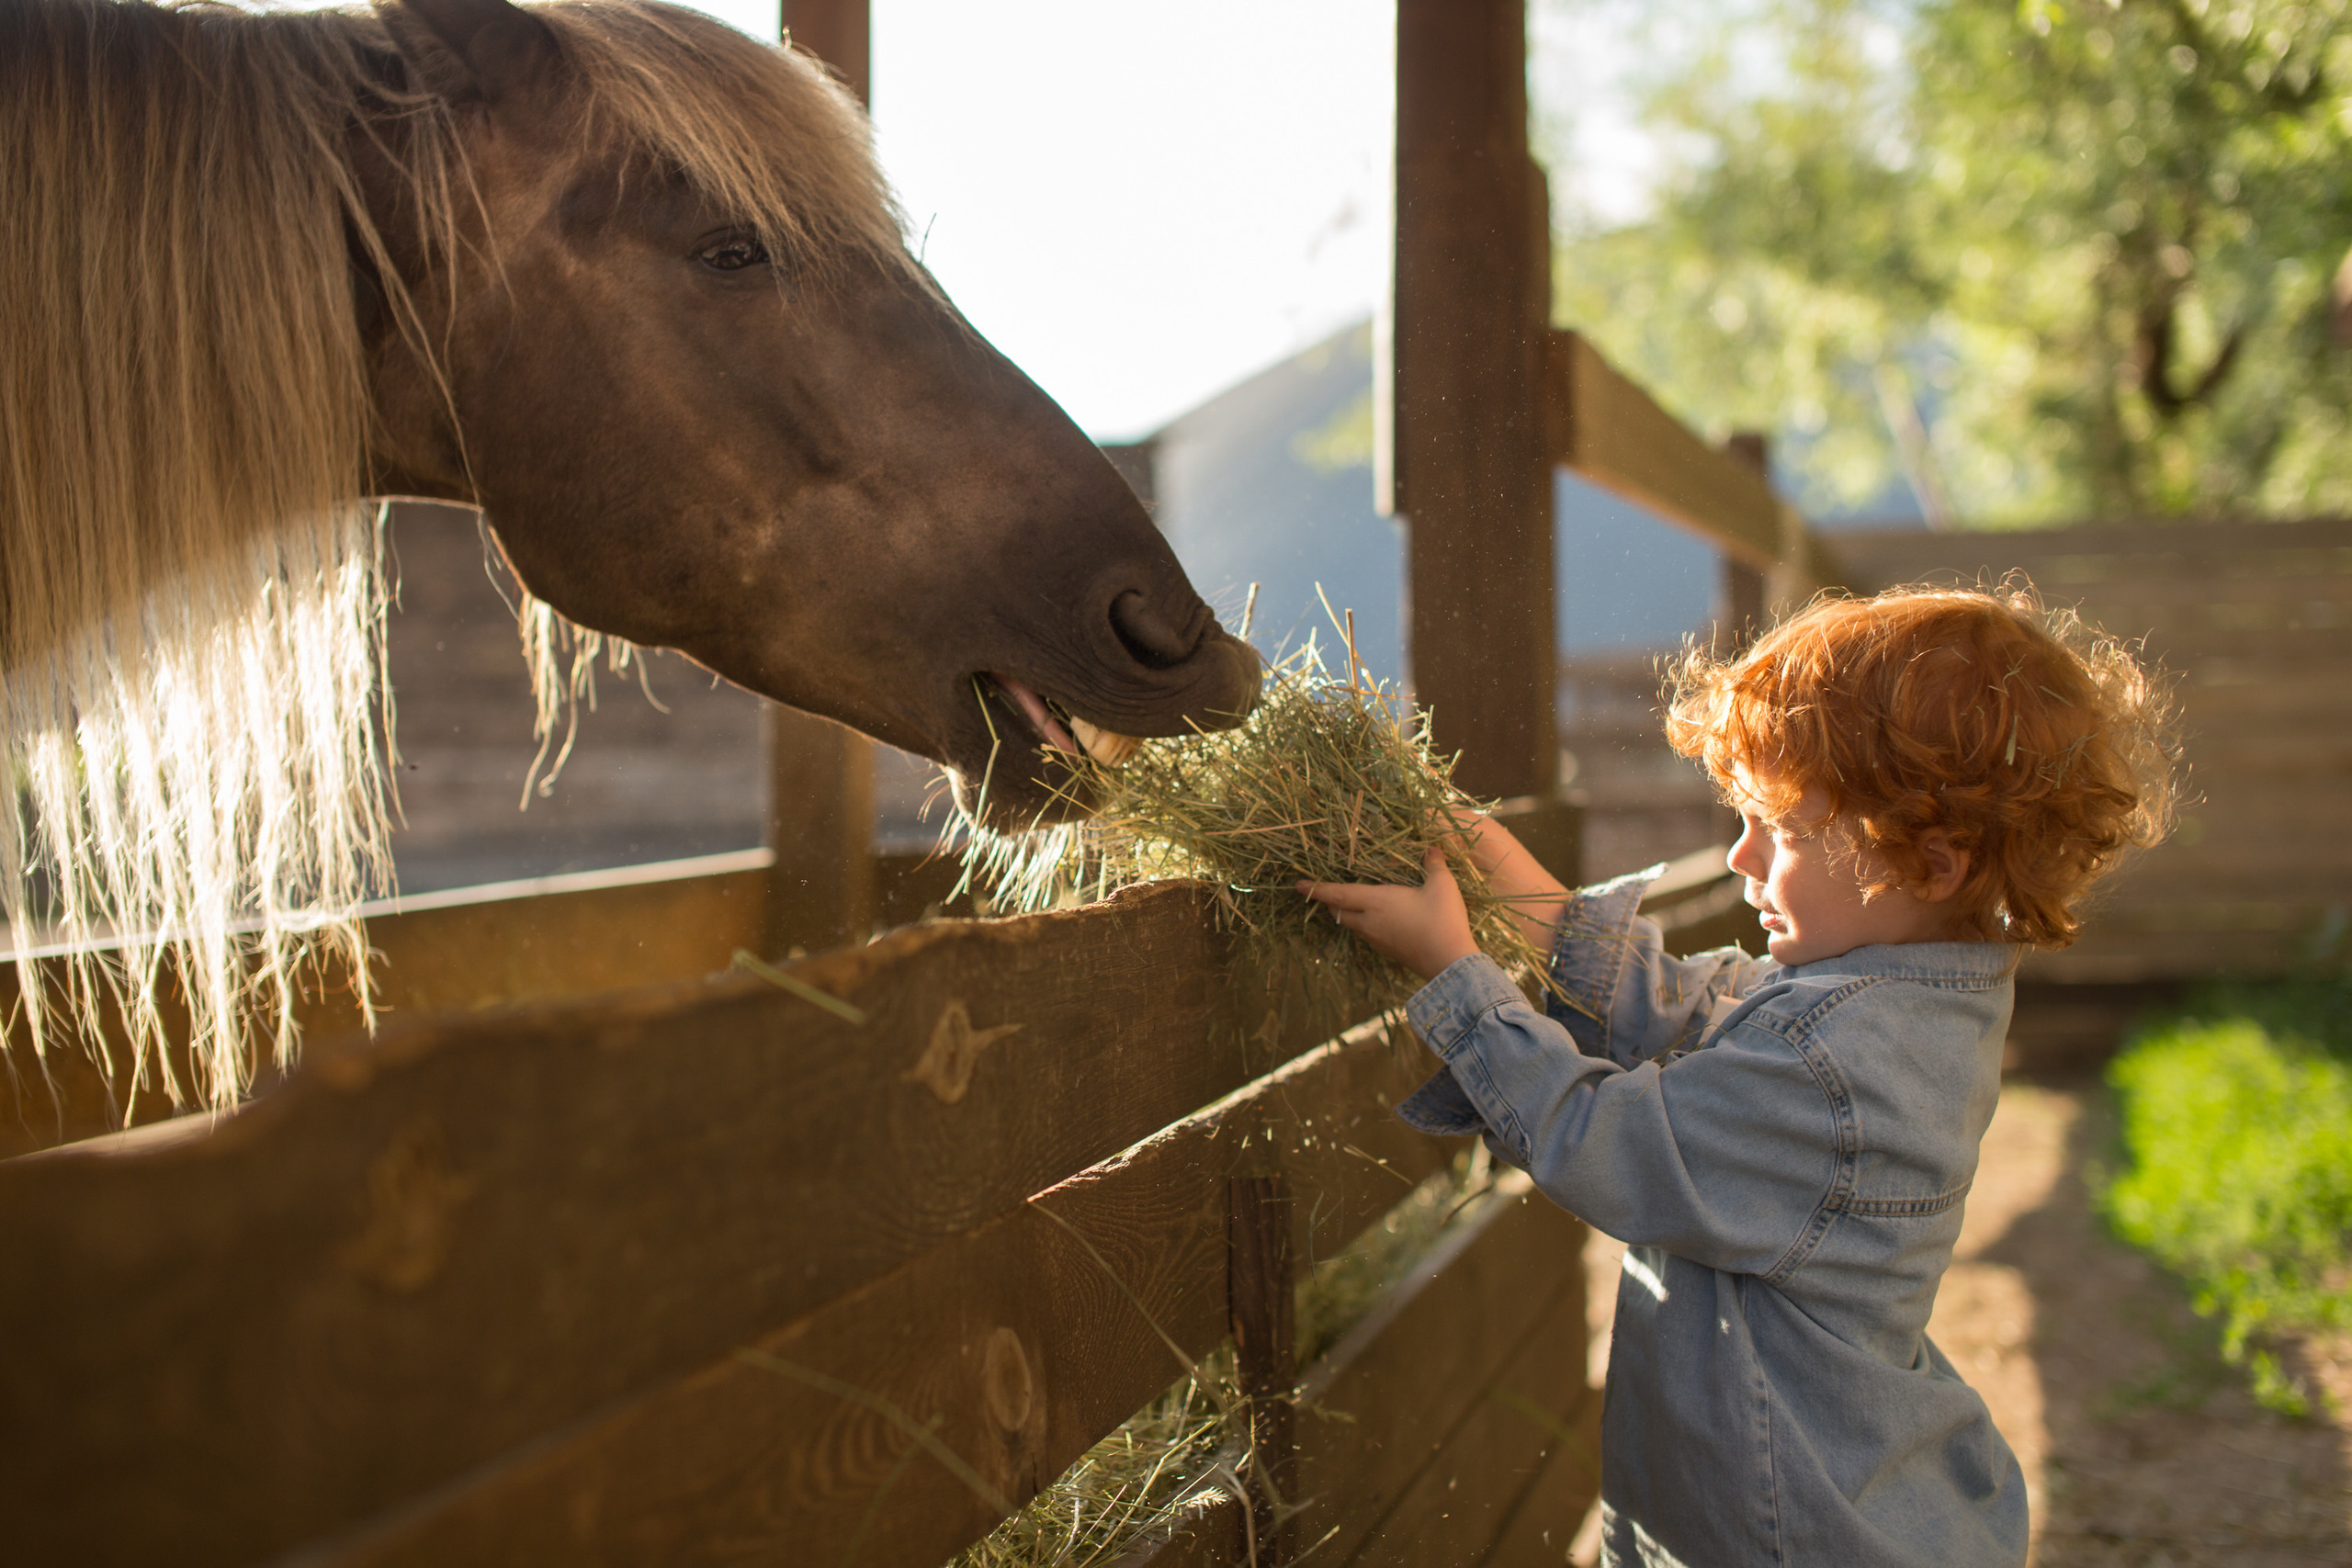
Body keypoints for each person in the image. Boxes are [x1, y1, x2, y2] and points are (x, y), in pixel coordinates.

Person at [1299, 583, 2177, 1568]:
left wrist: (1461, 980)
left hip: (1783, 1530)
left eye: (1785, 830)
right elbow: (1689, 1016)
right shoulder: (1893, 1003)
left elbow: (1612, 1145)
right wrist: (1520, 890)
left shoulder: (1834, 1064)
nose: (1741, 855)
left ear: (1931, 865)